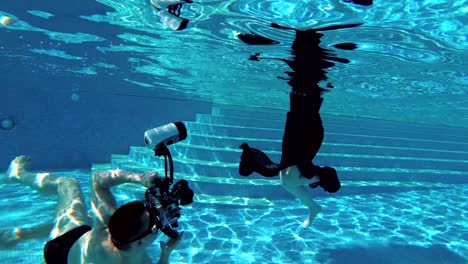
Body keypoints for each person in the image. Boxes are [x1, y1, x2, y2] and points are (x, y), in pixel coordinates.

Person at [238, 23, 362, 230]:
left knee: (304, 92)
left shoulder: (305, 173)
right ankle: (310, 40)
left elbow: (305, 169)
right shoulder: (308, 171)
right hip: (304, 132)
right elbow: (308, 166)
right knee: (305, 90)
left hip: (304, 132)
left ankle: (308, 40)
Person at [1, 155, 184, 264]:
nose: (159, 220)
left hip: (61, 251)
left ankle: (18, 177)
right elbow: (97, 178)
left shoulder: (107, 226)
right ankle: (15, 176)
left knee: (68, 185)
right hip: (70, 246)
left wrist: (139, 178)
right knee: (74, 206)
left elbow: (98, 180)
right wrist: (165, 254)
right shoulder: (133, 254)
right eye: (155, 223)